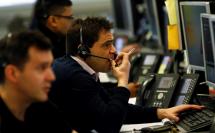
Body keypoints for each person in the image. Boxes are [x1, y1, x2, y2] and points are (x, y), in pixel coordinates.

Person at [49, 17, 203, 133]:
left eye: (112, 43)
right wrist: (122, 81)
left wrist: (161, 113)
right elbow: (110, 124)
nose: (114, 51)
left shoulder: (72, 66)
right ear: (83, 50)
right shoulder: (76, 76)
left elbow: (112, 107)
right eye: (106, 45)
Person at [0, 31, 72, 133]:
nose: (52, 77)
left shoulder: (38, 102)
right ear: (12, 73)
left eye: (50, 67)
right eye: (42, 68)